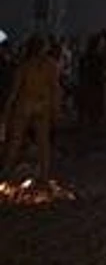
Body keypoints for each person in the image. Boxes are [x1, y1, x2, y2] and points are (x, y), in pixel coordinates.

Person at [3, 36, 61, 178]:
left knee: (15, 141)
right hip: (42, 106)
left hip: (24, 105)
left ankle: (6, 170)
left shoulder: (24, 66)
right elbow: (55, 88)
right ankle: (44, 174)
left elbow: (15, 91)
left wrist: (7, 110)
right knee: (43, 143)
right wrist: (56, 109)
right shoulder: (51, 65)